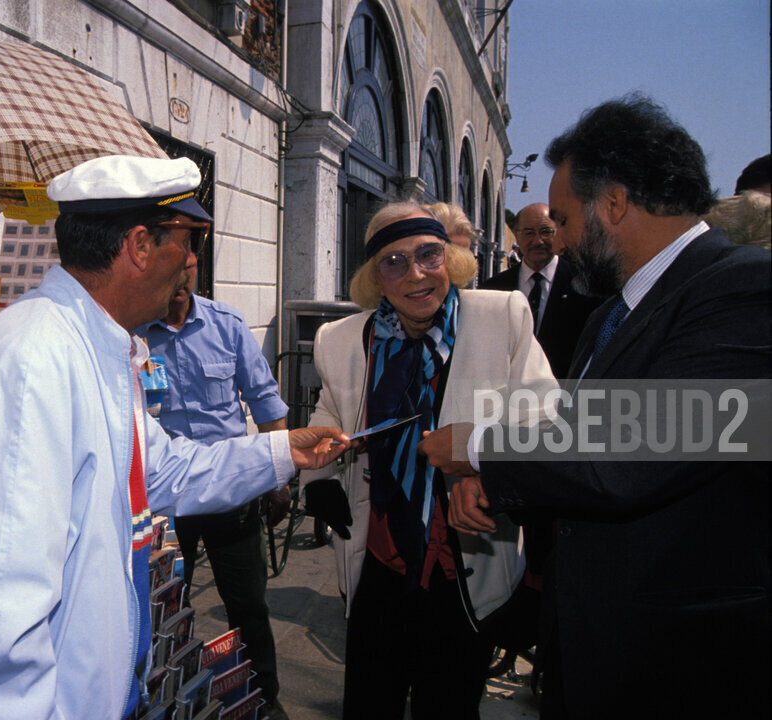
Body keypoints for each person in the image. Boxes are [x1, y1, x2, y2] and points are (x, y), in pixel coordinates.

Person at [0, 155, 349, 720]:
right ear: (140, 247)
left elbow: (164, 470)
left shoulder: (99, 348)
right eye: (187, 243)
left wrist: (281, 450)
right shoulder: (31, 364)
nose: (192, 263)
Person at [420, 95, 771, 719]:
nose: (557, 238)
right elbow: (572, 429)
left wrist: (478, 447)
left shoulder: (743, 287)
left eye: (564, 216)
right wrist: (493, 483)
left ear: (612, 203)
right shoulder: (612, 310)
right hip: (587, 641)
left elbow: (647, 443)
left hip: (676, 661)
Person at [298, 200, 556, 719]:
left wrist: (481, 466)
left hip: (463, 567)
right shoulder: (343, 339)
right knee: (370, 702)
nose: (415, 274)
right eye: (393, 262)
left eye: (427, 255)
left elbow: (546, 418)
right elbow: (331, 411)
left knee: (450, 705)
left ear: (449, 258)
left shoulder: (500, 317)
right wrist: (320, 479)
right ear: (375, 277)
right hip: (379, 559)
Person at [136, 249, 290, 718]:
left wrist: (278, 479)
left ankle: (264, 697)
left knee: (246, 601)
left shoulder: (227, 325)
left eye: (188, 272)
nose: (180, 284)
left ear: (197, 269)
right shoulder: (134, 336)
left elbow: (266, 401)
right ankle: (170, 696)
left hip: (228, 490)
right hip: (164, 499)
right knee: (163, 606)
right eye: (172, 274)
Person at [483, 202, 600, 377]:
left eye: (546, 232)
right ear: (516, 236)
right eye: (529, 232)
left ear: (558, 233)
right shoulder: (492, 290)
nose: (538, 241)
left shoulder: (587, 289)